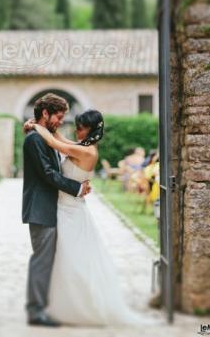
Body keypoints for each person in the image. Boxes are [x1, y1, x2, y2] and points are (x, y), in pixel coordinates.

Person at [24, 108, 164, 328]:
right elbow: (60, 139)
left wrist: (37, 128)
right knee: (60, 260)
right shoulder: (82, 147)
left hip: (71, 212)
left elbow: (55, 144)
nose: (77, 130)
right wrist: (42, 126)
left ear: (90, 129)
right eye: (77, 127)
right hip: (61, 208)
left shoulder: (88, 152)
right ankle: (57, 303)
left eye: (81, 127)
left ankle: (83, 305)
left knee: (74, 260)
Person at [22, 93, 91, 327]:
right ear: (45, 114)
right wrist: (77, 188)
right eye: (59, 117)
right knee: (41, 260)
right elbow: (48, 174)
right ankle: (35, 311)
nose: (62, 121)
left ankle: (43, 305)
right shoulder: (34, 140)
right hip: (41, 208)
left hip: (52, 208)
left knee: (48, 259)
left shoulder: (45, 136)